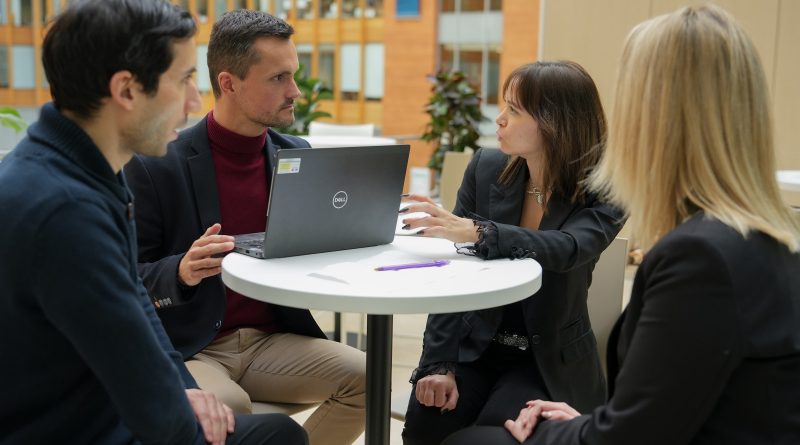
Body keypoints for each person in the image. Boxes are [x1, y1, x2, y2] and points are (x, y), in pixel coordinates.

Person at [443, 5, 800, 445]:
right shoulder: (767, 239)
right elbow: (672, 407)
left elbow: (637, 433)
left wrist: (555, 434)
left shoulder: (701, 257)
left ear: (658, 120)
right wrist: (588, 420)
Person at [0, 1, 307, 444]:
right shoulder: (64, 211)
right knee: (277, 437)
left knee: (275, 431)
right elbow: (156, 413)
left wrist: (182, 384)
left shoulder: (79, 171)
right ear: (126, 90)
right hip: (77, 428)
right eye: (183, 80)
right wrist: (183, 401)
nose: (195, 101)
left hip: (92, 407)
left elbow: (136, 311)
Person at [124, 9, 365, 445]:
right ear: (228, 83)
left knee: (369, 377)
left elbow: (313, 250)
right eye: (278, 78)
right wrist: (180, 271)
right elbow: (126, 278)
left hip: (274, 341)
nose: (294, 91)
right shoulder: (158, 164)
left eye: (293, 75)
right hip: (196, 345)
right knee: (229, 411)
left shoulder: (297, 153)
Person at [399, 60, 624, 445]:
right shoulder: (486, 168)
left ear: (556, 123)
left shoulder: (607, 188)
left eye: (514, 110)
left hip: (546, 361)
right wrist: (438, 363)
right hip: (474, 349)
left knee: (487, 436)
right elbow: (455, 272)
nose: (499, 119)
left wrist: (479, 232)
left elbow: (569, 248)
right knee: (427, 422)